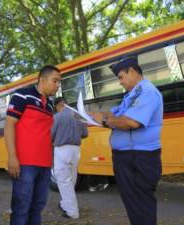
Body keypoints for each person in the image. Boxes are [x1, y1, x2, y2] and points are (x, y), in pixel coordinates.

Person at [91, 57, 163, 225]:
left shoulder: (147, 92)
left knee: (140, 203)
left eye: (121, 77)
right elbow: (115, 114)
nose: (120, 82)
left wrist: (104, 121)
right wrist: (96, 115)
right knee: (134, 203)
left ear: (131, 71)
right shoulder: (132, 95)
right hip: (129, 157)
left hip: (138, 157)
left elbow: (131, 122)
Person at [4, 65, 61, 225]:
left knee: (37, 208)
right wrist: (12, 157)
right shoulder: (23, 95)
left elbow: (46, 133)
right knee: (21, 208)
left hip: (45, 164)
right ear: (42, 80)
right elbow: (9, 125)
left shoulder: (50, 105)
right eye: (55, 81)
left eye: (59, 82)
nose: (57, 85)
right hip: (25, 163)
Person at [51, 97, 88, 219]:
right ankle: (64, 204)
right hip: (76, 150)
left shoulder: (56, 117)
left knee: (63, 181)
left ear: (57, 106)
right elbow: (85, 134)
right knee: (71, 180)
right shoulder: (78, 116)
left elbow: (50, 135)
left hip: (62, 150)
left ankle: (72, 212)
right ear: (66, 104)